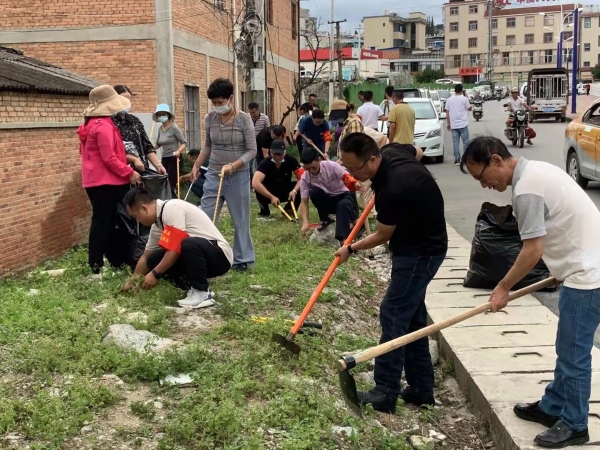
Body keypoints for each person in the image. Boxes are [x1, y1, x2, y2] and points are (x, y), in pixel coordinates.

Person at [460, 136, 600, 449]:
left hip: (589, 276)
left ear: (495, 160)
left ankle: (575, 424)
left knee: (574, 356)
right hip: (582, 267)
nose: (483, 185)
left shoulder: (526, 190)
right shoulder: (535, 171)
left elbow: (532, 250)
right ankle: (553, 407)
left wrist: (503, 287)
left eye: (481, 176)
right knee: (567, 347)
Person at [336, 132, 447, 413]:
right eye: (346, 167)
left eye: (355, 169)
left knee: (393, 311)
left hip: (420, 251)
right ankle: (422, 389)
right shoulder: (395, 151)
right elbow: (418, 152)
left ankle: (385, 390)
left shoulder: (394, 188)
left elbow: (382, 235)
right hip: (418, 243)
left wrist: (351, 248)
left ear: (373, 159)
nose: (352, 174)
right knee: (412, 318)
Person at [122, 187, 232, 308]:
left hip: (220, 256)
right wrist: (133, 281)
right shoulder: (158, 225)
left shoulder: (171, 208)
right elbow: (145, 257)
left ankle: (202, 292)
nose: (137, 221)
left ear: (144, 209)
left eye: (135, 216)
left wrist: (155, 274)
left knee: (186, 244)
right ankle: (191, 288)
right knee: (153, 258)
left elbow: (174, 249)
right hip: (200, 257)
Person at [191, 78, 256, 272]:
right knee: (205, 215)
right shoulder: (209, 118)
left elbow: (252, 151)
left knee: (240, 218)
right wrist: (197, 166)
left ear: (230, 98)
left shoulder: (244, 119)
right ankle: (206, 254)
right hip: (214, 174)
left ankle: (242, 259)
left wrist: (234, 166)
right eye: (214, 103)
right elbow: (208, 146)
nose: (217, 106)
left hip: (238, 175)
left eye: (221, 102)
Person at [77, 85, 141, 274]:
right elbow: (110, 158)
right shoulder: (104, 126)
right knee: (104, 224)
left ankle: (115, 261)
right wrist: (129, 172)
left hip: (94, 181)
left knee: (107, 222)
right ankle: (96, 265)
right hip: (107, 182)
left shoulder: (89, 125)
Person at [299, 148, 360, 244]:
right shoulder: (305, 178)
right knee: (314, 192)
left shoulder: (332, 166)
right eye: (307, 169)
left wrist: (355, 183)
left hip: (343, 195)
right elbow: (304, 201)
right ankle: (326, 219)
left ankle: (344, 239)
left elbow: (347, 177)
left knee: (343, 204)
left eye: (313, 167)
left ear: (319, 160)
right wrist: (305, 222)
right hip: (328, 199)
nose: (311, 171)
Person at [112, 85, 167, 176]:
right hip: (121, 172)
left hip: (141, 170)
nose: (127, 103)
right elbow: (111, 153)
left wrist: (158, 165)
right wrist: (134, 159)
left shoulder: (134, 121)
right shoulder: (109, 122)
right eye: (123, 100)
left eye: (129, 100)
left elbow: (147, 146)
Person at [252, 139, 303, 217]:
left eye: (280, 154)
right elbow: (255, 182)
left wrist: (294, 191)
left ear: (285, 152)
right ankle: (264, 210)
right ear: (271, 152)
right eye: (275, 154)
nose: (277, 157)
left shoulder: (291, 160)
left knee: (302, 186)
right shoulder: (265, 163)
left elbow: (302, 177)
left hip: (285, 190)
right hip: (270, 191)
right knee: (258, 188)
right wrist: (271, 197)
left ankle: (289, 209)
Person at [153, 104, 187, 195]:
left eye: (163, 114)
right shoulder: (160, 129)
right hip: (165, 158)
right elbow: (158, 143)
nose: (161, 116)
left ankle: (173, 199)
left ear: (168, 115)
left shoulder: (174, 127)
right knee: (163, 180)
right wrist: (149, 148)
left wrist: (178, 151)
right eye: (159, 114)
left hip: (174, 158)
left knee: (171, 182)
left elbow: (184, 143)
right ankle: (166, 199)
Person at [444, 84, 472, 166]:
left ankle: (457, 159)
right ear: (462, 90)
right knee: (466, 142)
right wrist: (466, 97)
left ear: (454, 90)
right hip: (463, 124)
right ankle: (465, 159)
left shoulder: (449, 100)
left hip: (454, 125)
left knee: (455, 142)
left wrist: (448, 123)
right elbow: (470, 109)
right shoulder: (464, 99)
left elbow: (447, 113)